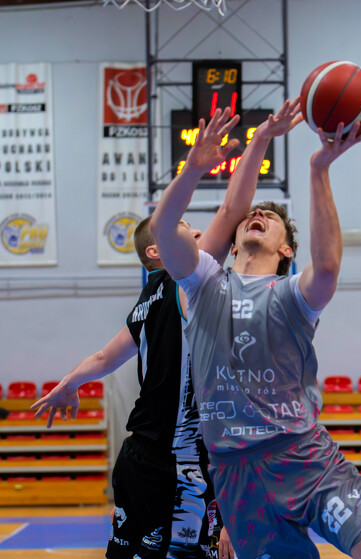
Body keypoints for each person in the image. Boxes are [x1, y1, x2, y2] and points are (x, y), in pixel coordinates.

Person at [149, 110, 361, 559]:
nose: (258, 213)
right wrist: (193, 169)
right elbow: (164, 229)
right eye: (252, 214)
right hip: (236, 472)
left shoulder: (292, 295)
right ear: (234, 239)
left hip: (303, 455)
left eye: (270, 217)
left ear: (285, 249)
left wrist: (319, 168)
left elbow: (328, 266)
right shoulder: (202, 282)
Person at [30, 100, 302, 559]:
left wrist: (70, 382)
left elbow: (104, 358)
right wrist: (252, 144)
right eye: (187, 229)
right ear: (158, 252)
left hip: (147, 454)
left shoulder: (152, 299)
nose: (198, 235)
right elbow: (232, 208)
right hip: (178, 461)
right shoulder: (188, 279)